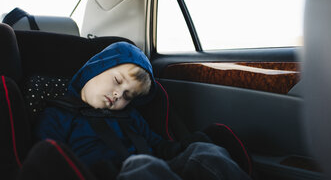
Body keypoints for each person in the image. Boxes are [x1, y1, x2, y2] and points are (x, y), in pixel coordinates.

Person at [34, 41, 250, 180]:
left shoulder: (130, 117)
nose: (119, 94)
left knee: (204, 152)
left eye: (128, 95)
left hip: (157, 170)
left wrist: (183, 146)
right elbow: (50, 158)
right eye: (118, 81)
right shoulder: (59, 114)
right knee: (141, 166)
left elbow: (157, 144)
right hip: (100, 174)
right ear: (95, 67)